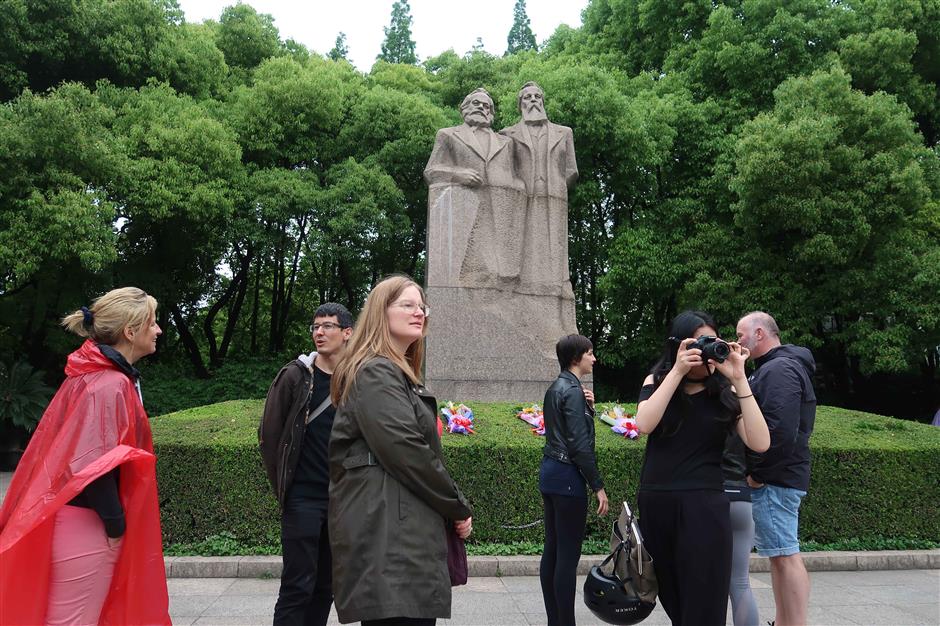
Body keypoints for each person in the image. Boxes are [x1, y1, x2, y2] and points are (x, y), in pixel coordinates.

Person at [0, 287, 170, 625]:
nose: (159, 330)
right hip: (88, 524)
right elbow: (94, 463)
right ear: (131, 331)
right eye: (153, 322)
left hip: (73, 520)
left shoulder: (92, 375)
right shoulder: (110, 383)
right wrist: (115, 525)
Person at [328, 275, 473, 626]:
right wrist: (456, 506)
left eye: (422, 306)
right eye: (406, 305)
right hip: (392, 544)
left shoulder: (393, 372)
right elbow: (407, 451)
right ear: (381, 312)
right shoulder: (376, 371)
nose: (418, 312)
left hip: (398, 536)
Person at [635, 310, 770, 626]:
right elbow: (644, 423)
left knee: (705, 603)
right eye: (696, 343)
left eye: (710, 342)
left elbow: (761, 442)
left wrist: (738, 378)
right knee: (674, 600)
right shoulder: (658, 380)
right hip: (658, 504)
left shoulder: (725, 391)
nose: (704, 352)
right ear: (678, 345)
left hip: (705, 506)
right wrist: (678, 372)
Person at [260, 302, 353, 626]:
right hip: (303, 499)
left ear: (347, 333)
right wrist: (286, 487)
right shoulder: (295, 376)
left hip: (341, 499)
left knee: (326, 585)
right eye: (315, 326)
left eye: (328, 326)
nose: (319, 332)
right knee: (297, 584)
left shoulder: (357, 380)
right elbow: (269, 435)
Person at [736, 311, 816, 626]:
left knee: (785, 556)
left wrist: (758, 474)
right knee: (780, 555)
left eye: (741, 334)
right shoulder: (778, 367)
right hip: (780, 476)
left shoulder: (779, 369)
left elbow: (779, 432)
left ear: (759, 334)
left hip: (775, 479)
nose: (737, 340)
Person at [539, 334, 608, 626]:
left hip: (551, 472)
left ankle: (556, 619)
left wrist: (588, 408)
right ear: (576, 358)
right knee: (567, 555)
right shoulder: (573, 390)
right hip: (568, 478)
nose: (594, 358)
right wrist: (598, 486)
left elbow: (564, 430)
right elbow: (580, 446)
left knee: (553, 549)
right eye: (590, 353)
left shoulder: (557, 387)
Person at [424, 88, 525, 286]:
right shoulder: (448, 135)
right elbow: (431, 171)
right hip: (467, 210)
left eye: (486, 106)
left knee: (500, 272)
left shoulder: (506, 142)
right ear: (464, 109)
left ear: (492, 114)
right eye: (476, 104)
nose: (481, 108)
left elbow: (516, 178)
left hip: (501, 213)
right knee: (476, 271)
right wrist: (457, 175)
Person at [500, 81, 578, 295]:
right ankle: (522, 285)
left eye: (537, 96)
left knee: (554, 243)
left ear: (543, 101)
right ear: (520, 104)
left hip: (555, 195)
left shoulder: (564, 133)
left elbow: (571, 169)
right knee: (524, 239)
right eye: (527, 97)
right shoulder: (507, 134)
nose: (533, 100)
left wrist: (558, 185)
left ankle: (556, 285)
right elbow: (504, 170)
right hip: (522, 197)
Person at [722, 431, 760, 626]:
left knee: (702, 581)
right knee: (740, 583)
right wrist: (757, 476)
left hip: (709, 494)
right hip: (741, 494)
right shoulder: (743, 405)